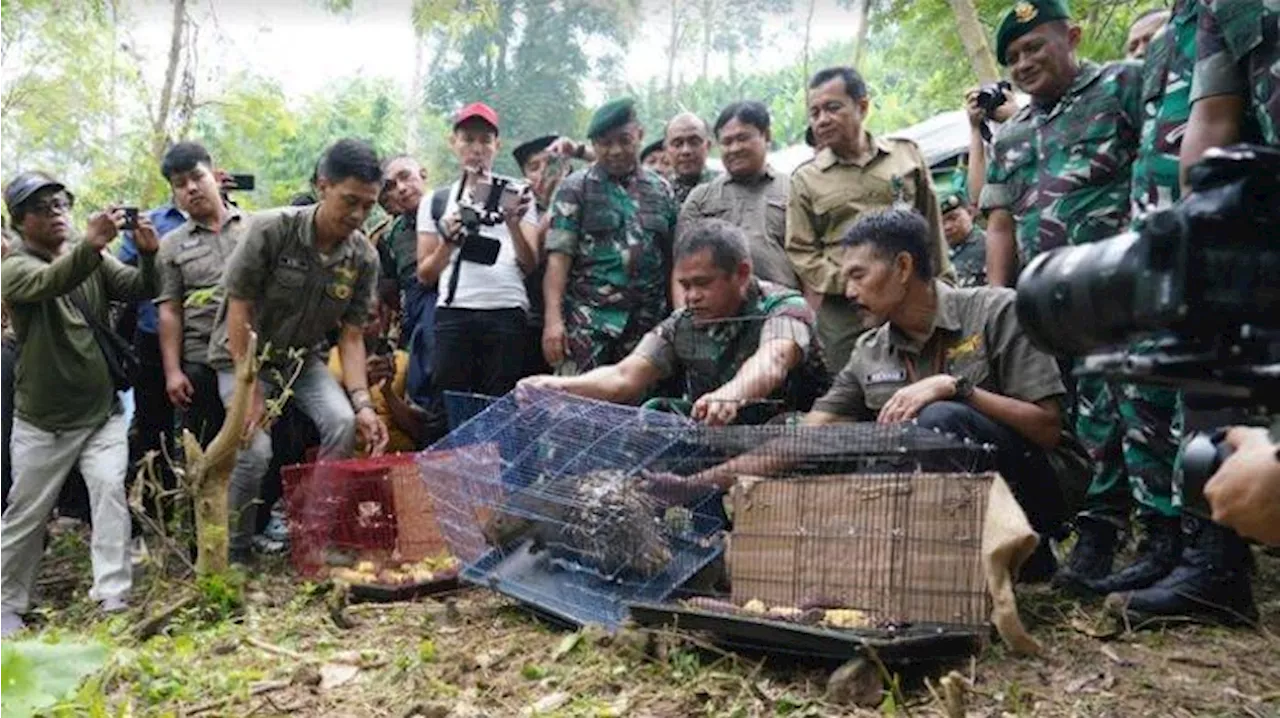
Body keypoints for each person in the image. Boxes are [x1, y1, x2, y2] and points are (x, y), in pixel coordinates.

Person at [683, 209, 1068, 578]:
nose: (848, 292)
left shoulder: (996, 311)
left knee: (938, 419)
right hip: (937, 496)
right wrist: (701, 483)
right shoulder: (870, 350)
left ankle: (999, 547)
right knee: (837, 446)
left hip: (1035, 485)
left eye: (858, 275)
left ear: (902, 267)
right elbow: (804, 439)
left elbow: (1047, 428)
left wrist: (957, 389)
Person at [1106, 0, 1280, 627]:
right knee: (1196, 389)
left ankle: (1213, 560)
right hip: (1196, 232)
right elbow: (1210, 122)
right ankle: (1198, 552)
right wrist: (1189, 233)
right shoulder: (1199, 16)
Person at [1058, 0, 1196, 604]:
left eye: (1154, 42)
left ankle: (1185, 539)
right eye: (1135, 47)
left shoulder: (1151, 94)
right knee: (1109, 410)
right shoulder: (1147, 108)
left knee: (1175, 405)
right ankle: (1136, 533)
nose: (1143, 57)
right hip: (1103, 290)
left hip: (1177, 276)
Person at [208, 138, 389, 565]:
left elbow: (350, 336)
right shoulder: (272, 230)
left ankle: (312, 542)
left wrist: (363, 403)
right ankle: (232, 558)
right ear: (323, 185)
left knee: (343, 422)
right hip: (243, 355)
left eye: (369, 205)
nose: (359, 215)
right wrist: (249, 387)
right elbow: (239, 307)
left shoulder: (363, 256)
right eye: (350, 201)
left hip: (300, 360)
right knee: (254, 451)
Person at [0, 172, 160, 636]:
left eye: (60, 204)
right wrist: (90, 247)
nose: (56, 213)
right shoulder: (13, 267)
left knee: (109, 490)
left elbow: (135, 287)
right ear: (21, 222)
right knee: (26, 511)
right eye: (43, 208)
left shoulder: (89, 257)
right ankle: (9, 601)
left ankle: (113, 591)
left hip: (100, 413)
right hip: (43, 421)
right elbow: (50, 282)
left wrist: (149, 253)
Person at [521, 219, 826, 425]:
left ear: (742, 274)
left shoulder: (785, 308)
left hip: (784, 440)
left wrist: (731, 394)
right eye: (685, 285)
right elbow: (624, 376)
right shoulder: (682, 323)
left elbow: (772, 361)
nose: (691, 296)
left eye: (702, 283)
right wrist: (559, 385)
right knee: (654, 416)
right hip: (718, 432)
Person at [788, 65, 953, 374]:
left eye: (832, 108)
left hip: (912, 298)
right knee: (856, 391)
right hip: (848, 310)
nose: (822, 119)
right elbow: (801, 250)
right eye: (814, 112)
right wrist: (854, 281)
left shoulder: (906, 156)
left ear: (862, 106)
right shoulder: (805, 179)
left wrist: (944, 282)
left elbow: (932, 226)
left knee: (929, 380)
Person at [982, 0, 1142, 287]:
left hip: (1126, 280)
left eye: (1033, 48)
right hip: (1047, 300)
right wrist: (996, 302)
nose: (1023, 64)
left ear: (1072, 38)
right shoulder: (1008, 136)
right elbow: (1000, 226)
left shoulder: (1123, 84)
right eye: (1013, 58)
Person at [543, 97, 679, 375]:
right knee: (576, 407)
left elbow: (673, 260)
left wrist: (677, 318)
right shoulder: (575, 188)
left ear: (639, 135)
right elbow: (558, 261)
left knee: (638, 410)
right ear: (593, 145)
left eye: (624, 140)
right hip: (589, 324)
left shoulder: (662, 190)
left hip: (647, 328)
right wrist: (553, 321)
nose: (615, 150)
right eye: (605, 143)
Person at [417, 103, 538, 402]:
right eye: (468, 139)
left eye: (485, 140)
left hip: (506, 309)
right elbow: (425, 274)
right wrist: (450, 241)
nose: (477, 148)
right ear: (453, 143)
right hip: (454, 311)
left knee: (501, 408)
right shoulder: (436, 200)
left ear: (497, 145)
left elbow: (530, 264)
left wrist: (512, 223)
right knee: (446, 407)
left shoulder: (519, 195)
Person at [155, 142, 246, 445]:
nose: (191, 188)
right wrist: (172, 372)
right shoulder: (170, 244)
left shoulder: (254, 229)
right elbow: (170, 310)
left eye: (197, 177)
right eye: (180, 185)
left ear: (216, 177)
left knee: (256, 446)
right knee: (204, 449)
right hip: (200, 360)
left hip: (251, 358)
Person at [679, 101, 798, 289]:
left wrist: (807, 313)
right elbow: (681, 266)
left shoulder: (794, 190)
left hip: (783, 308)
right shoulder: (700, 198)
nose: (735, 148)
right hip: (717, 312)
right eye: (727, 142)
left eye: (743, 138)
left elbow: (810, 261)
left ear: (766, 136)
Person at [379, 154, 436, 414]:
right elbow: (390, 285)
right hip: (414, 312)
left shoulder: (448, 207)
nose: (400, 189)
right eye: (390, 185)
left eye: (405, 177)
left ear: (423, 173)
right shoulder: (391, 235)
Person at [328, 298, 423, 453]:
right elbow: (324, 425)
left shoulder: (403, 362)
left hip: (399, 457)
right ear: (341, 322)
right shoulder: (330, 362)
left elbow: (419, 433)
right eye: (356, 319)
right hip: (350, 458)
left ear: (383, 320)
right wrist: (361, 384)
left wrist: (388, 393)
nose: (364, 325)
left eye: (371, 318)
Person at [513, 134, 573, 378]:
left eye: (550, 163)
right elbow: (527, 258)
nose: (543, 173)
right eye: (534, 167)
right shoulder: (519, 208)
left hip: (580, 318)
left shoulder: (585, 197)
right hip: (532, 320)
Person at [665, 112, 720, 206]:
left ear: (708, 146)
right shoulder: (658, 193)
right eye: (677, 144)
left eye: (694, 142)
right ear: (666, 149)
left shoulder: (725, 188)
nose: (686, 151)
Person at [939, 189, 986, 288]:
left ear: (970, 213)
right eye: (941, 223)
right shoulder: (937, 254)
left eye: (953, 218)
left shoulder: (990, 245)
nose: (947, 227)